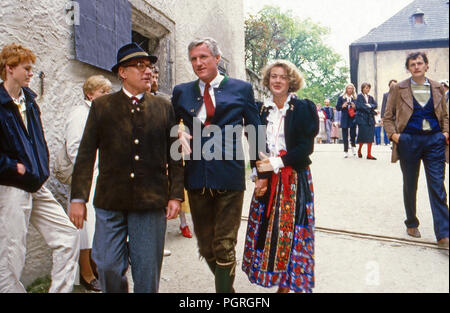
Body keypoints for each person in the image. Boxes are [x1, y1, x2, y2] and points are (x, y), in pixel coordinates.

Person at [69, 43, 184, 293]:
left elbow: (174, 156)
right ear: (122, 72)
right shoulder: (103, 107)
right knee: (108, 266)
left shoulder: (164, 107)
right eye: (139, 66)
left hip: (150, 202)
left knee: (146, 272)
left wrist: (175, 194)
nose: (148, 72)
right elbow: (86, 155)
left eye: (150, 67)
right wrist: (78, 197)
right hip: (111, 200)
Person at [172, 37, 264, 293]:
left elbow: (255, 130)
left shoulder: (241, 89)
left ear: (217, 59)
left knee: (224, 244)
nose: (198, 63)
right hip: (197, 177)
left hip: (229, 176)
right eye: (193, 59)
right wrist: (176, 131)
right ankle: (229, 289)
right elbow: (168, 124)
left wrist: (261, 171)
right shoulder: (182, 92)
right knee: (206, 246)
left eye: (203, 57)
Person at [0, 43, 80, 293]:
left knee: (69, 236)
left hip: (36, 183)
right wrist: (16, 168)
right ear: (9, 68)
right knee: (11, 256)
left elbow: (38, 140)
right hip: (12, 187)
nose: (31, 73)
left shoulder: (30, 101)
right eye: (26, 68)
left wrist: (39, 166)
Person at [242, 59, 318, 293]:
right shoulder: (261, 109)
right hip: (268, 177)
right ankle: (274, 277)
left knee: (293, 232)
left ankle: (286, 285)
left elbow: (306, 147)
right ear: (267, 80)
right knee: (268, 232)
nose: (277, 80)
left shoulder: (304, 107)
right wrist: (259, 175)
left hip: (293, 178)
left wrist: (275, 162)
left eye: (282, 76)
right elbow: (255, 142)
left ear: (291, 81)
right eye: (273, 76)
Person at [383, 52, 449, 248]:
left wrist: (445, 133)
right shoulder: (398, 88)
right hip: (408, 141)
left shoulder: (438, 87)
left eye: (420, 63)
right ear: (408, 68)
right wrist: (396, 137)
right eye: (412, 64)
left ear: (427, 66)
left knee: (437, 185)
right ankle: (411, 222)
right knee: (410, 184)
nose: (417, 66)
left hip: (434, 141)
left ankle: (444, 234)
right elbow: (388, 117)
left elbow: (446, 115)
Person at [65, 75, 112, 291]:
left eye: (108, 92)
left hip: (101, 177)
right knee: (83, 228)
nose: (107, 96)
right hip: (87, 177)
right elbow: (75, 149)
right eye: (103, 92)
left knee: (97, 227)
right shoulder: (79, 113)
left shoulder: (100, 113)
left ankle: (95, 267)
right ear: (90, 94)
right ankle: (85, 273)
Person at [150, 65, 193, 239]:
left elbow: (171, 126)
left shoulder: (163, 102)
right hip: (151, 160)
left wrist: (179, 133)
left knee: (177, 189)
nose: (153, 80)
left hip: (168, 154)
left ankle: (182, 223)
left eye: (156, 76)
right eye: (151, 76)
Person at [356, 82, 377, 160]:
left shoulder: (371, 97)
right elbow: (360, 106)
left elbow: (375, 105)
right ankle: (359, 150)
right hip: (362, 119)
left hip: (370, 119)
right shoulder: (359, 96)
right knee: (362, 135)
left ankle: (369, 154)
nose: (367, 89)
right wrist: (369, 107)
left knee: (370, 136)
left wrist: (369, 105)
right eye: (366, 88)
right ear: (362, 88)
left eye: (368, 88)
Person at [336, 83, 357, 158]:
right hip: (344, 117)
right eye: (348, 88)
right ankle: (345, 150)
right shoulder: (341, 97)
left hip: (352, 117)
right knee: (345, 135)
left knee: (353, 134)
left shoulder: (355, 98)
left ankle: (353, 147)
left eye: (351, 88)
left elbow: (359, 108)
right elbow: (337, 107)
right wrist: (342, 106)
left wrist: (355, 107)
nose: (350, 90)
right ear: (346, 89)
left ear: (353, 89)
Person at [381, 80, 398, 146]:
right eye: (392, 84)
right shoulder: (386, 95)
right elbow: (383, 105)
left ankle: (394, 142)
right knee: (389, 128)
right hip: (389, 115)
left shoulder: (399, 94)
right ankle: (388, 142)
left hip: (397, 115)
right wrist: (382, 117)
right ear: (389, 86)